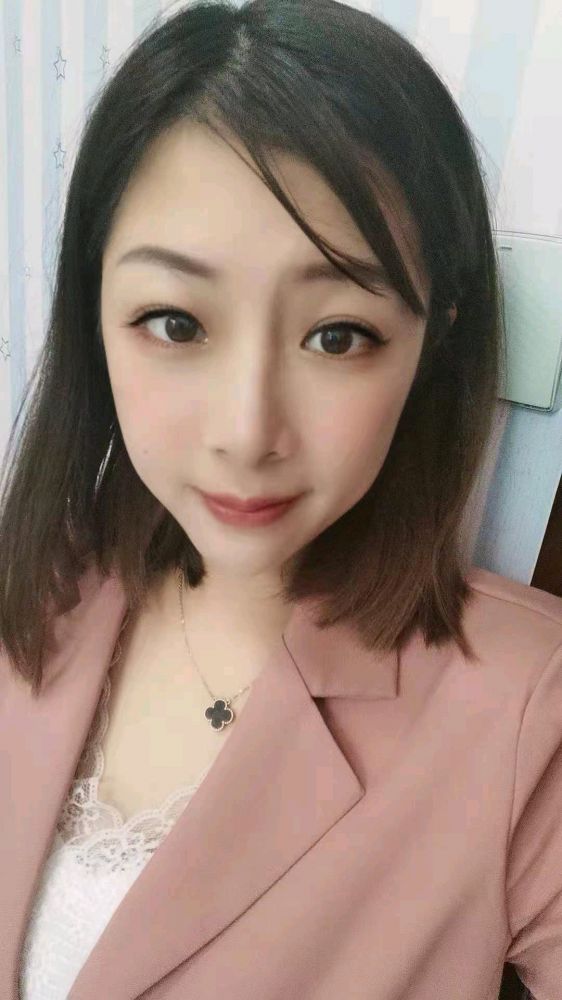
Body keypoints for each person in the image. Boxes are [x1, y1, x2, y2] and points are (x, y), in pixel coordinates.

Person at [0, 1, 560, 997]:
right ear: (93, 311)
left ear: (432, 338)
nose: (247, 430)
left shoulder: (529, 707)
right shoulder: (33, 584)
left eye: (337, 336)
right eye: (176, 322)